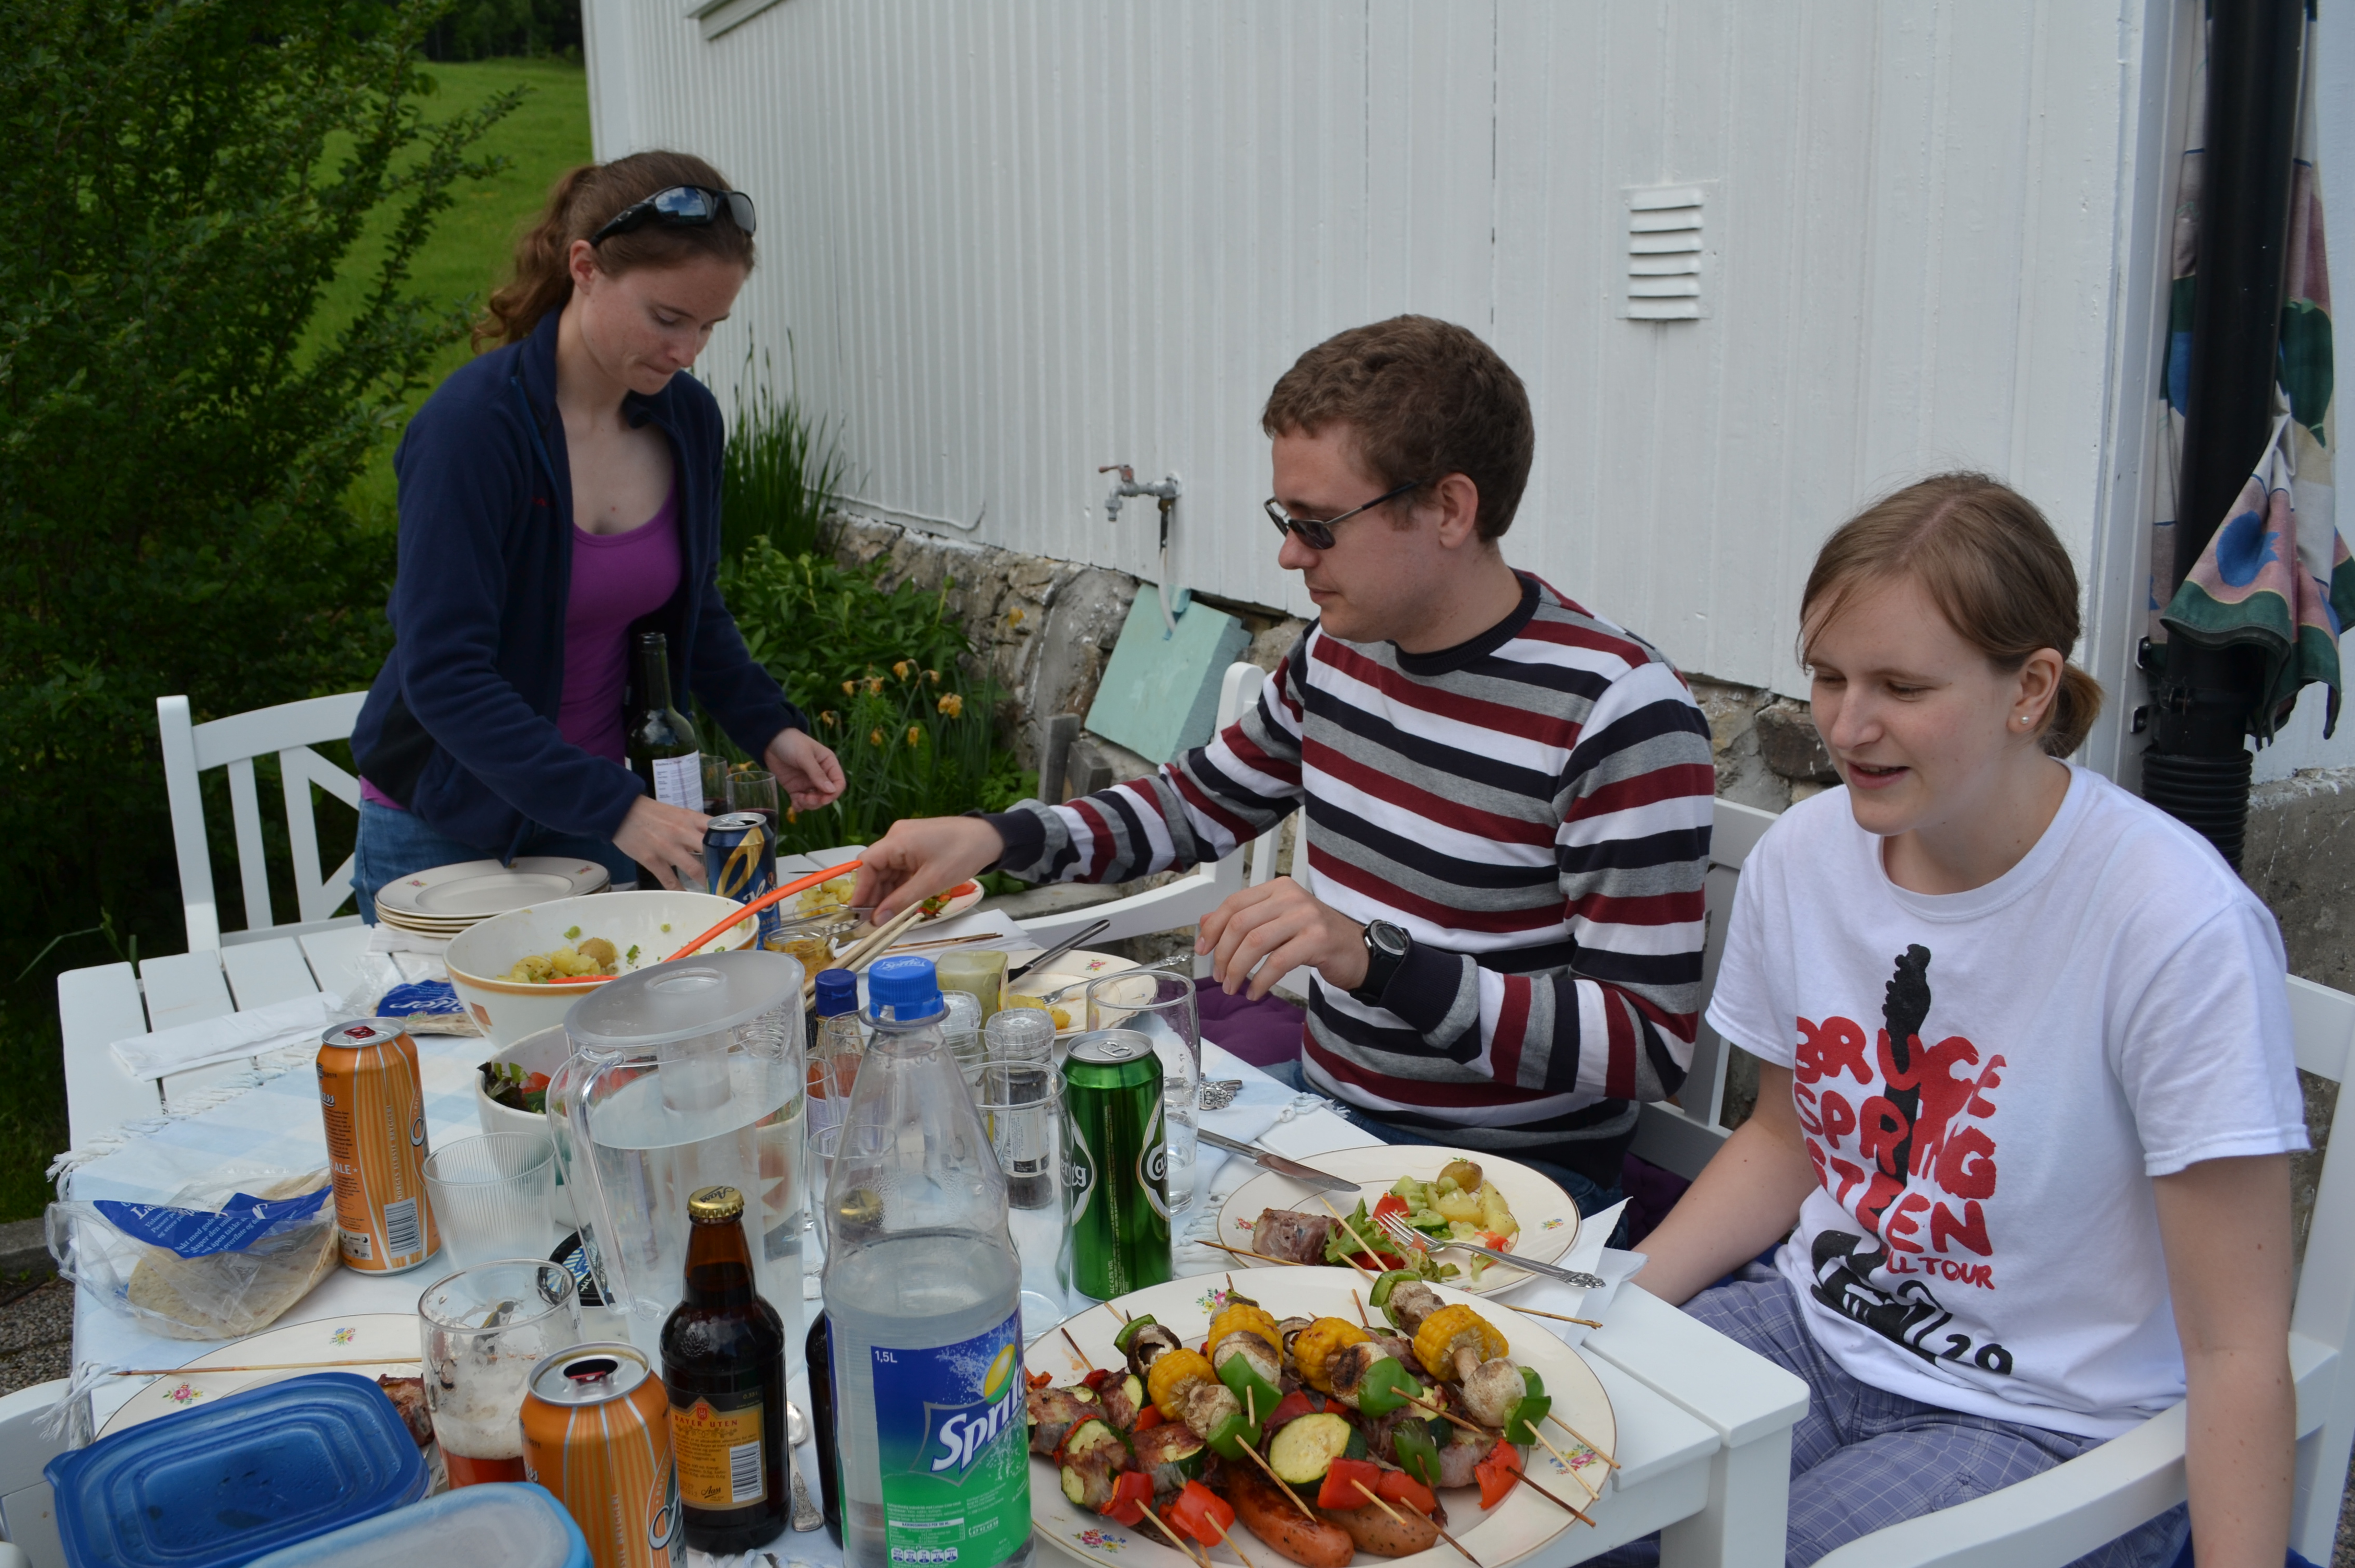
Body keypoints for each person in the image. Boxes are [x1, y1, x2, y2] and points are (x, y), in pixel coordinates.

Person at [853, 315, 1716, 1220]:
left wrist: (1376, 961)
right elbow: (1196, 806)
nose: (1290, 553)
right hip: (1328, 1127)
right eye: (1285, 520)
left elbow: (1647, 1047)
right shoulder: (1341, 654)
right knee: (1012, 1200)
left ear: (1450, 510)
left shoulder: (1614, 711)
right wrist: (995, 838)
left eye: (1318, 525)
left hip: (1505, 1188)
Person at [1606, 475, 2304, 1567]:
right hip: (1813, 1326)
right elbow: (1788, 1140)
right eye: (1828, 676)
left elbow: (2235, 1346)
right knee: (1537, 1483)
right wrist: (1604, 1312)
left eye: (1901, 686)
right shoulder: (1808, 859)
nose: (1848, 726)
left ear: (2030, 689)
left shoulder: (2172, 926)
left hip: (2045, 1422)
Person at [350, 151, 843, 915]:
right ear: (584, 268)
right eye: (667, 319)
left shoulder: (687, 419)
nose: (686, 352)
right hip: (449, 823)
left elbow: (691, 608)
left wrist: (770, 728)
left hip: (601, 811)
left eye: (709, 327)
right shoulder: (472, 430)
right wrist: (618, 808)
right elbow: (445, 672)